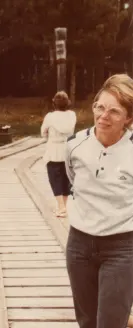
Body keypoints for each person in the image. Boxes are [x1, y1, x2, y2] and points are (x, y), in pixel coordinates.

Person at [65, 74, 133, 328]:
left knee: (110, 324)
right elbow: (71, 178)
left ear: (128, 118)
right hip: (79, 245)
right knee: (87, 322)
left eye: (114, 111)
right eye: (100, 107)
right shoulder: (74, 145)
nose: (104, 116)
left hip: (122, 248)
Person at [41, 91, 76, 217]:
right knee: (66, 178)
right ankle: (65, 206)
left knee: (54, 178)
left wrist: (48, 136)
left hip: (54, 150)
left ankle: (61, 207)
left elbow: (43, 132)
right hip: (67, 149)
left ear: (54, 103)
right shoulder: (72, 115)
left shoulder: (50, 117)